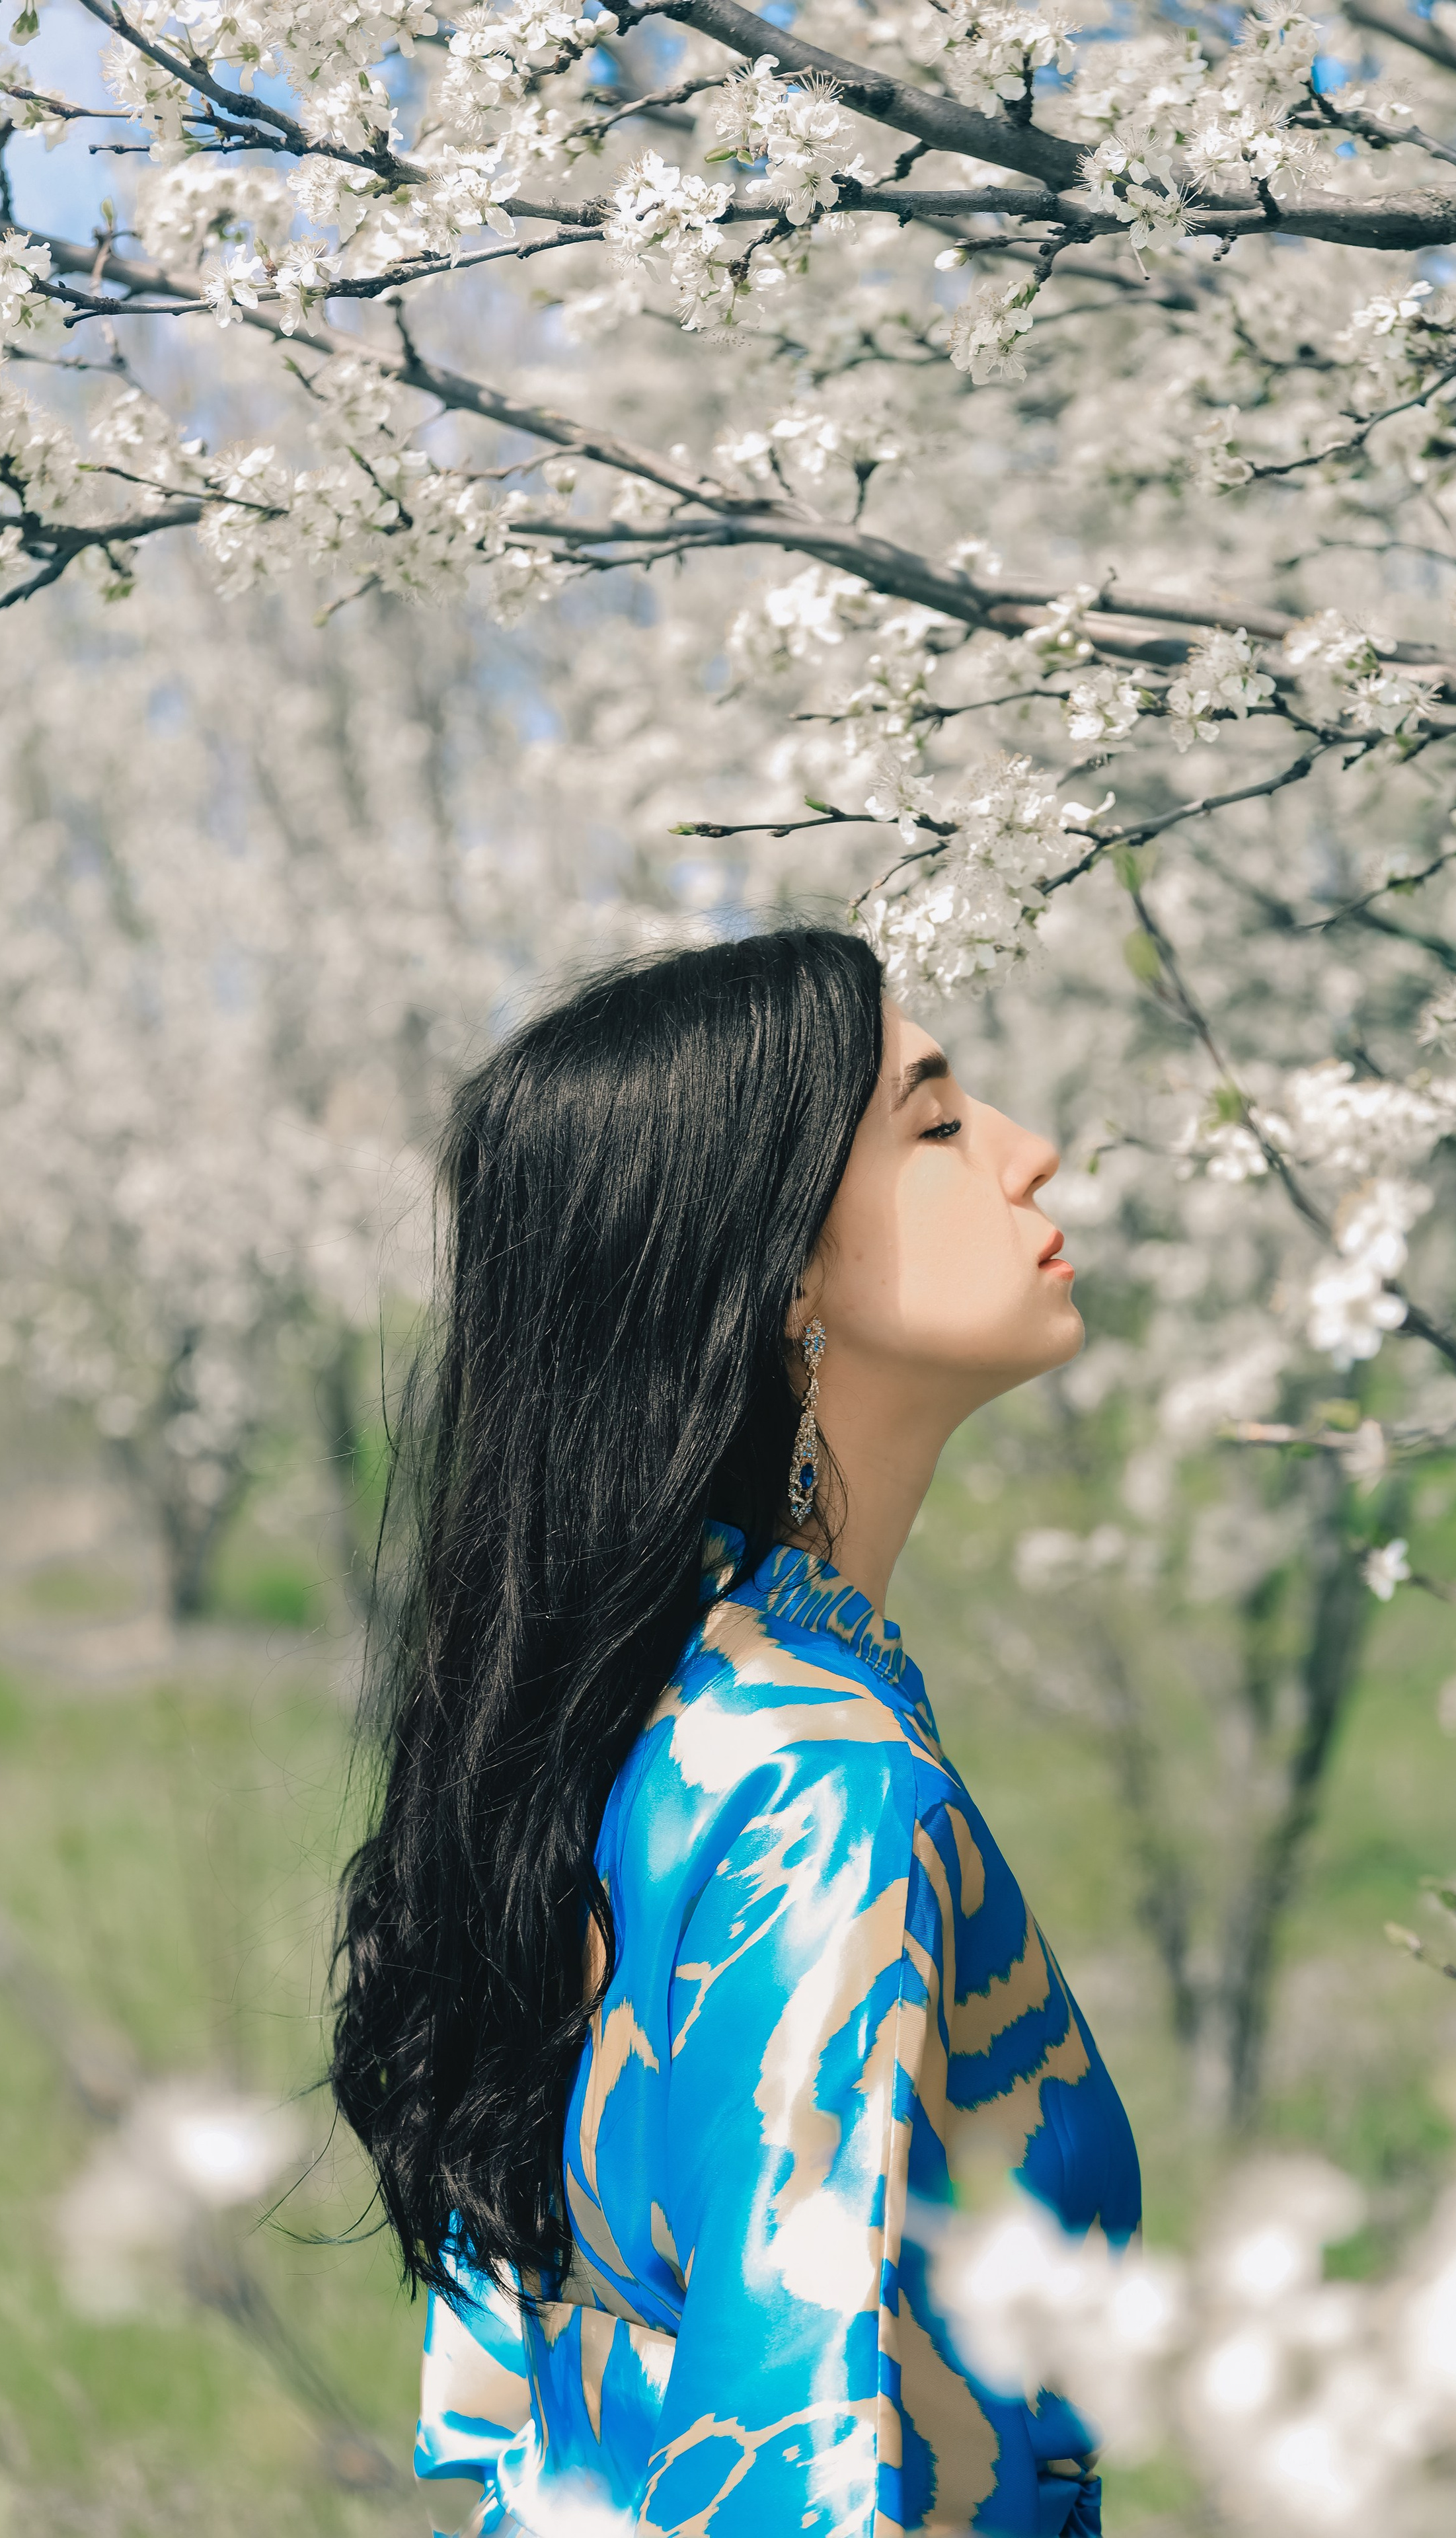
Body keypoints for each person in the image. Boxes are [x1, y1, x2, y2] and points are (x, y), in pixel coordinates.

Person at [330, 927, 1139, 2537]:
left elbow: (511, 2409)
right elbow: (797, 2466)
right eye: (932, 1122)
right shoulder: (825, 1792)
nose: (1028, 1151)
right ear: (776, 1278)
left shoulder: (631, 1728)